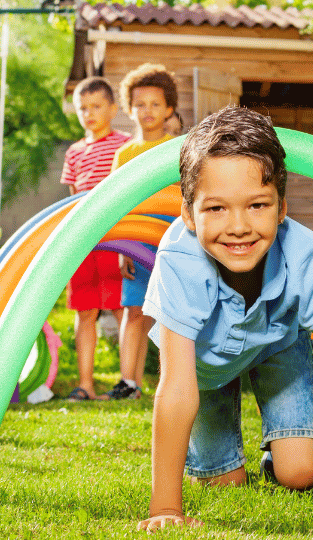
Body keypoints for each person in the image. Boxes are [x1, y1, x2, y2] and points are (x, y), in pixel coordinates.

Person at [138, 107, 313, 531]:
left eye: (257, 205)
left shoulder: (305, 255)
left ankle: (281, 450)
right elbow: (176, 389)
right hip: (203, 369)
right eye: (216, 209)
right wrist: (165, 508)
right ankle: (218, 458)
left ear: (282, 207)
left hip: (275, 347)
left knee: (301, 474)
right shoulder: (179, 261)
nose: (239, 227)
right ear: (188, 214)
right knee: (225, 483)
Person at [103, 63, 179, 400]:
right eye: (140, 104)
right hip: (136, 245)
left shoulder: (178, 149)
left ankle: (171, 382)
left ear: (169, 109)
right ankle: (128, 382)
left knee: (169, 315)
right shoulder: (125, 154)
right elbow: (118, 204)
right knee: (134, 312)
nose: (147, 111)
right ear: (130, 110)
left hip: (171, 244)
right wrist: (122, 250)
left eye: (155, 104)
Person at [60, 76, 130, 401]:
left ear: (113, 109)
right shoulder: (74, 152)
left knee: (121, 307)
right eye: (82, 108)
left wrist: (129, 242)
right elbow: (72, 199)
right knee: (85, 311)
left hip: (116, 238)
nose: (88, 114)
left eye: (96, 106)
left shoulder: (125, 145)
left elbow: (132, 195)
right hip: (84, 241)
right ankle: (85, 384)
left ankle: (127, 382)